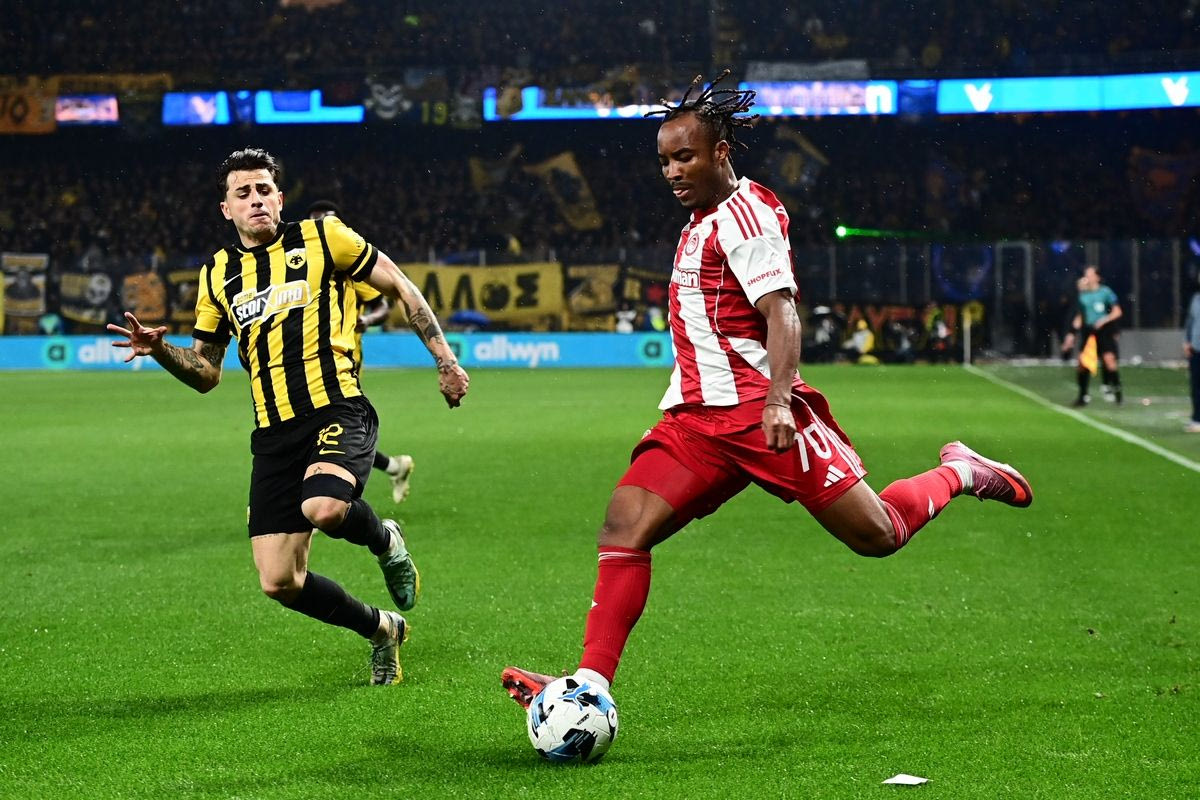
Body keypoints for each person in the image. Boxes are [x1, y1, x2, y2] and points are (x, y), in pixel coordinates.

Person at [500, 73, 1034, 723]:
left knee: (878, 535)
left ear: (721, 151)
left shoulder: (747, 218)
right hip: (697, 422)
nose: (672, 171)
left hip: (759, 414)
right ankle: (590, 685)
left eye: (685, 157)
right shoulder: (700, 220)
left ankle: (961, 472)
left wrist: (780, 400)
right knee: (623, 526)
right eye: (664, 161)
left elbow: (782, 312)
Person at [108, 148, 469, 685]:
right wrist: (160, 350)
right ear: (226, 209)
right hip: (274, 433)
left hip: (337, 406)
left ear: (279, 198)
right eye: (243, 193)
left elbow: (400, 284)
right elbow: (206, 372)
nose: (255, 200)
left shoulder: (325, 238)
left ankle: (385, 540)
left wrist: (445, 360)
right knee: (279, 581)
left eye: (264, 190)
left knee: (324, 507)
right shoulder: (218, 274)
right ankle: (381, 629)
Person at [308, 200, 415, 502]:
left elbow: (383, 304)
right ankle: (393, 467)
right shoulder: (301, 266)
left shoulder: (349, 265)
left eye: (327, 220)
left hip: (344, 362)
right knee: (316, 433)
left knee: (325, 431)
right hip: (306, 362)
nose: (322, 227)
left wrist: (366, 320)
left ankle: (336, 498)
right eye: (316, 221)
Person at [1061, 266, 1123, 406]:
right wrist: (1071, 334)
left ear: (1097, 277)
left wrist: (1104, 320)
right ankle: (1082, 396)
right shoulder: (1083, 295)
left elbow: (1117, 311)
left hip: (1104, 331)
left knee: (1109, 361)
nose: (1087, 277)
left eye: (1090, 274)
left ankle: (1117, 392)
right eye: (1086, 274)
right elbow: (1079, 317)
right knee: (1083, 364)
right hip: (1089, 332)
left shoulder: (1105, 292)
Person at [1184, 274, 1200, 433]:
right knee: (1195, 385)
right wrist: (1186, 341)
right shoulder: (1195, 298)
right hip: (1196, 349)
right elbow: (1190, 321)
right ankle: (1196, 419)